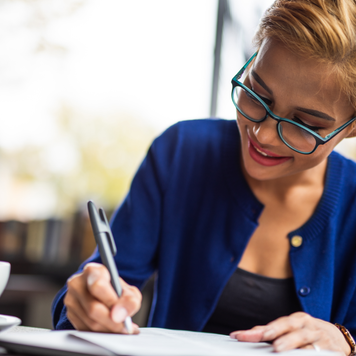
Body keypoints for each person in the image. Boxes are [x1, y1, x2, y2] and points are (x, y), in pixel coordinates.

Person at [52, 0, 356, 354]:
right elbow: (84, 303)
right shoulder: (181, 153)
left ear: (350, 128)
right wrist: (86, 302)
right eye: (258, 93)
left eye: (305, 125)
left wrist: (346, 342)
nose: (264, 135)